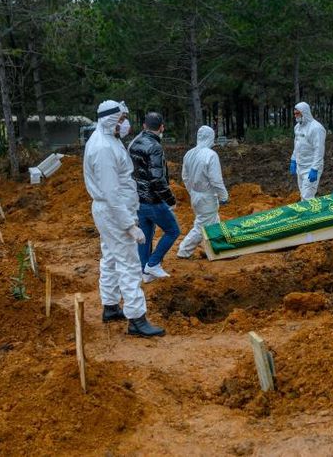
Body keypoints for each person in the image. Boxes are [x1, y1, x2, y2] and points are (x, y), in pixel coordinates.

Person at [83, 99, 165, 337]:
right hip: (114, 212)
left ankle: (110, 306)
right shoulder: (104, 148)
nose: (125, 124)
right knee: (129, 263)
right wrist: (129, 225)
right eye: (121, 119)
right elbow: (111, 192)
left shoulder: (108, 140)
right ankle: (137, 319)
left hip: (111, 211)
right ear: (110, 120)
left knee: (110, 257)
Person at [128, 112, 180, 282]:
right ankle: (153, 263)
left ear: (144, 126)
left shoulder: (134, 143)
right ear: (161, 127)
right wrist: (170, 199)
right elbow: (157, 178)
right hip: (152, 199)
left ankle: (144, 272)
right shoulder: (155, 147)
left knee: (145, 236)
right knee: (173, 230)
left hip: (137, 199)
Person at [177, 125, 229, 259]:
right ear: (210, 137)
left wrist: (192, 191)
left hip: (195, 195)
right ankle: (184, 251)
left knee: (214, 222)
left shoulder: (189, 154)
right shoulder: (210, 155)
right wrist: (224, 196)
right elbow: (216, 180)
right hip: (207, 196)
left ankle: (216, 248)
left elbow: (185, 176)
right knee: (202, 226)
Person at [290, 102, 326, 200]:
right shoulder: (297, 127)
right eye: (295, 114)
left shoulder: (316, 128)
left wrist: (314, 168)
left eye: (298, 113)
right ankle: (311, 213)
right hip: (300, 166)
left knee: (307, 197)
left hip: (311, 167)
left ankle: (308, 215)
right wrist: (293, 160)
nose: (295, 116)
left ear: (304, 113)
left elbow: (319, 150)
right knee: (303, 194)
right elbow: (296, 144)